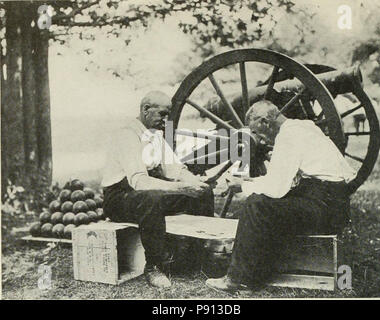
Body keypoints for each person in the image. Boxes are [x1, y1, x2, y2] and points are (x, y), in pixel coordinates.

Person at [205, 100, 356, 292]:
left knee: (256, 205)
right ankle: (258, 271)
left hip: (323, 207)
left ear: (265, 122)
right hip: (336, 205)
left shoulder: (288, 137)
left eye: (257, 132)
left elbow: (276, 188)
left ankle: (238, 279)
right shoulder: (303, 126)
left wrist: (242, 185)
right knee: (265, 202)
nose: (259, 139)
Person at [102, 90, 214, 288]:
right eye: (162, 114)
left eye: (168, 114)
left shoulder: (155, 136)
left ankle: (195, 256)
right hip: (119, 198)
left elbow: (176, 169)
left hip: (145, 193)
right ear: (146, 110)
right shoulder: (127, 136)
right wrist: (181, 188)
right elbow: (139, 182)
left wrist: (197, 184)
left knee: (202, 194)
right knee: (150, 199)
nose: (166, 119)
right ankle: (154, 267)